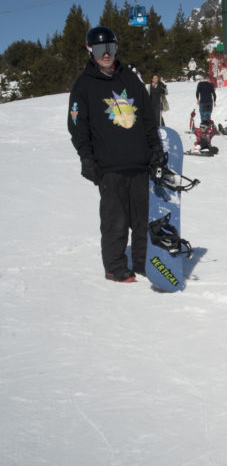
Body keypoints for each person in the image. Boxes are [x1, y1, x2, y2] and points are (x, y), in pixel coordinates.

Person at [67, 26, 164, 283]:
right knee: (115, 220)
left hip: (139, 163)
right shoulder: (84, 85)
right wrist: (86, 157)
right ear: (91, 51)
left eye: (109, 47)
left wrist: (155, 149)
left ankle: (142, 262)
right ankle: (115, 266)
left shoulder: (130, 79)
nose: (106, 54)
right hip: (109, 166)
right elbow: (78, 126)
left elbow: (147, 118)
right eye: (100, 49)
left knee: (143, 219)